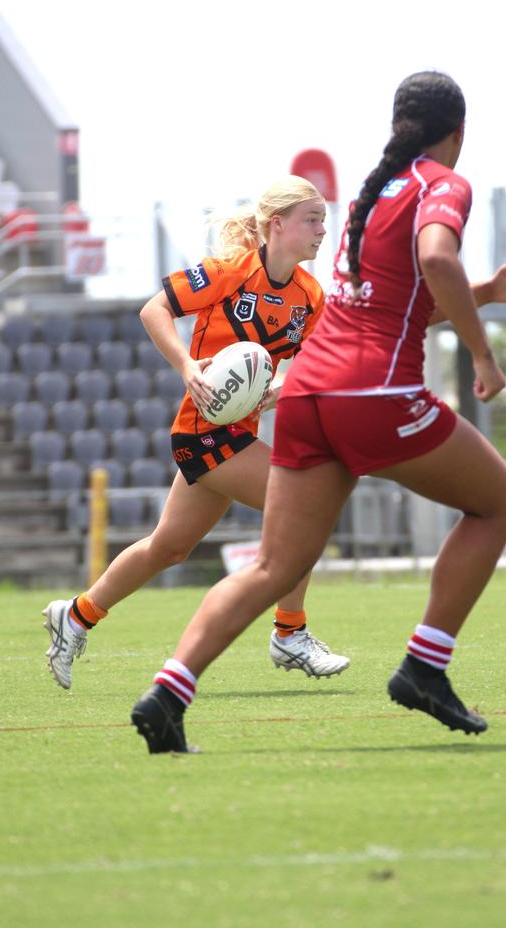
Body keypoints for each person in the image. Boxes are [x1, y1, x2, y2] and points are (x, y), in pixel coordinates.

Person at [129, 69, 506, 753]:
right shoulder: (443, 184)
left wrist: (487, 294)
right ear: (457, 132)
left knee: (273, 566)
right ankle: (425, 664)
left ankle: (169, 691)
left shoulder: (372, 194)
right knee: (497, 502)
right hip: (374, 393)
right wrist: (484, 355)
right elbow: (437, 259)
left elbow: (391, 305)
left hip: (306, 396)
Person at [42, 177, 351, 690]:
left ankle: (75, 615)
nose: (323, 230)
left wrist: (280, 385)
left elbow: (310, 362)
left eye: (323, 220)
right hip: (205, 431)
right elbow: (153, 309)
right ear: (278, 225)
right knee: (307, 504)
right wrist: (187, 365)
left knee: (169, 547)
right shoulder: (230, 272)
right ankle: (289, 633)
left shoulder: (309, 296)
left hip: (233, 434)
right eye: (312, 220)